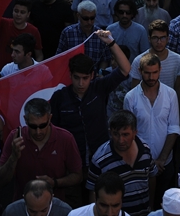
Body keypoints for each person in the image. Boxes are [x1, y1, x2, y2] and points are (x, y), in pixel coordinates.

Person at [52, 31, 130, 169]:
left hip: (101, 156)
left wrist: (110, 42)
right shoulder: (59, 97)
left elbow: (125, 69)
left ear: (92, 75)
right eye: (77, 78)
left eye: (85, 78)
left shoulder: (99, 88)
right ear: (70, 75)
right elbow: (54, 131)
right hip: (71, 160)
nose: (81, 83)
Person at [0, 98, 84, 204]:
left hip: (54, 206)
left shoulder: (65, 139)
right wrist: (13, 157)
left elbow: (77, 176)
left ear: (50, 118)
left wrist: (54, 183)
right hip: (23, 205)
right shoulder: (15, 139)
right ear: (25, 120)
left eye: (42, 125)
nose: (38, 132)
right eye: (33, 126)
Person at [121, 53, 179, 192]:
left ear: (160, 70)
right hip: (139, 163)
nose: (151, 77)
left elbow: (173, 128)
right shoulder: (130, 97)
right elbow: (129, 133)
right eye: (147, 73)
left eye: (155, 72)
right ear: (140, 71)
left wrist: (162, 159)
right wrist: (146, 160)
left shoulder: (170, 94)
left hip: (165, 163)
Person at [86, 111, 153, 216]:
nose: (121, 140)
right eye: (116, 134)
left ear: (134, 133)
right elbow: (93, 194)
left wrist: (151, 208)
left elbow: (152, 178)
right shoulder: (100, 160)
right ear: (110, 132)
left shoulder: (145, 150)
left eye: (125, 134)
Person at [3, 180, 73, 216]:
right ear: (25, 199)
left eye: (44, 210)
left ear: (51, 198)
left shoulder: (65, 212)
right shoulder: (12, 211)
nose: (38, 215)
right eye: (32, 211)